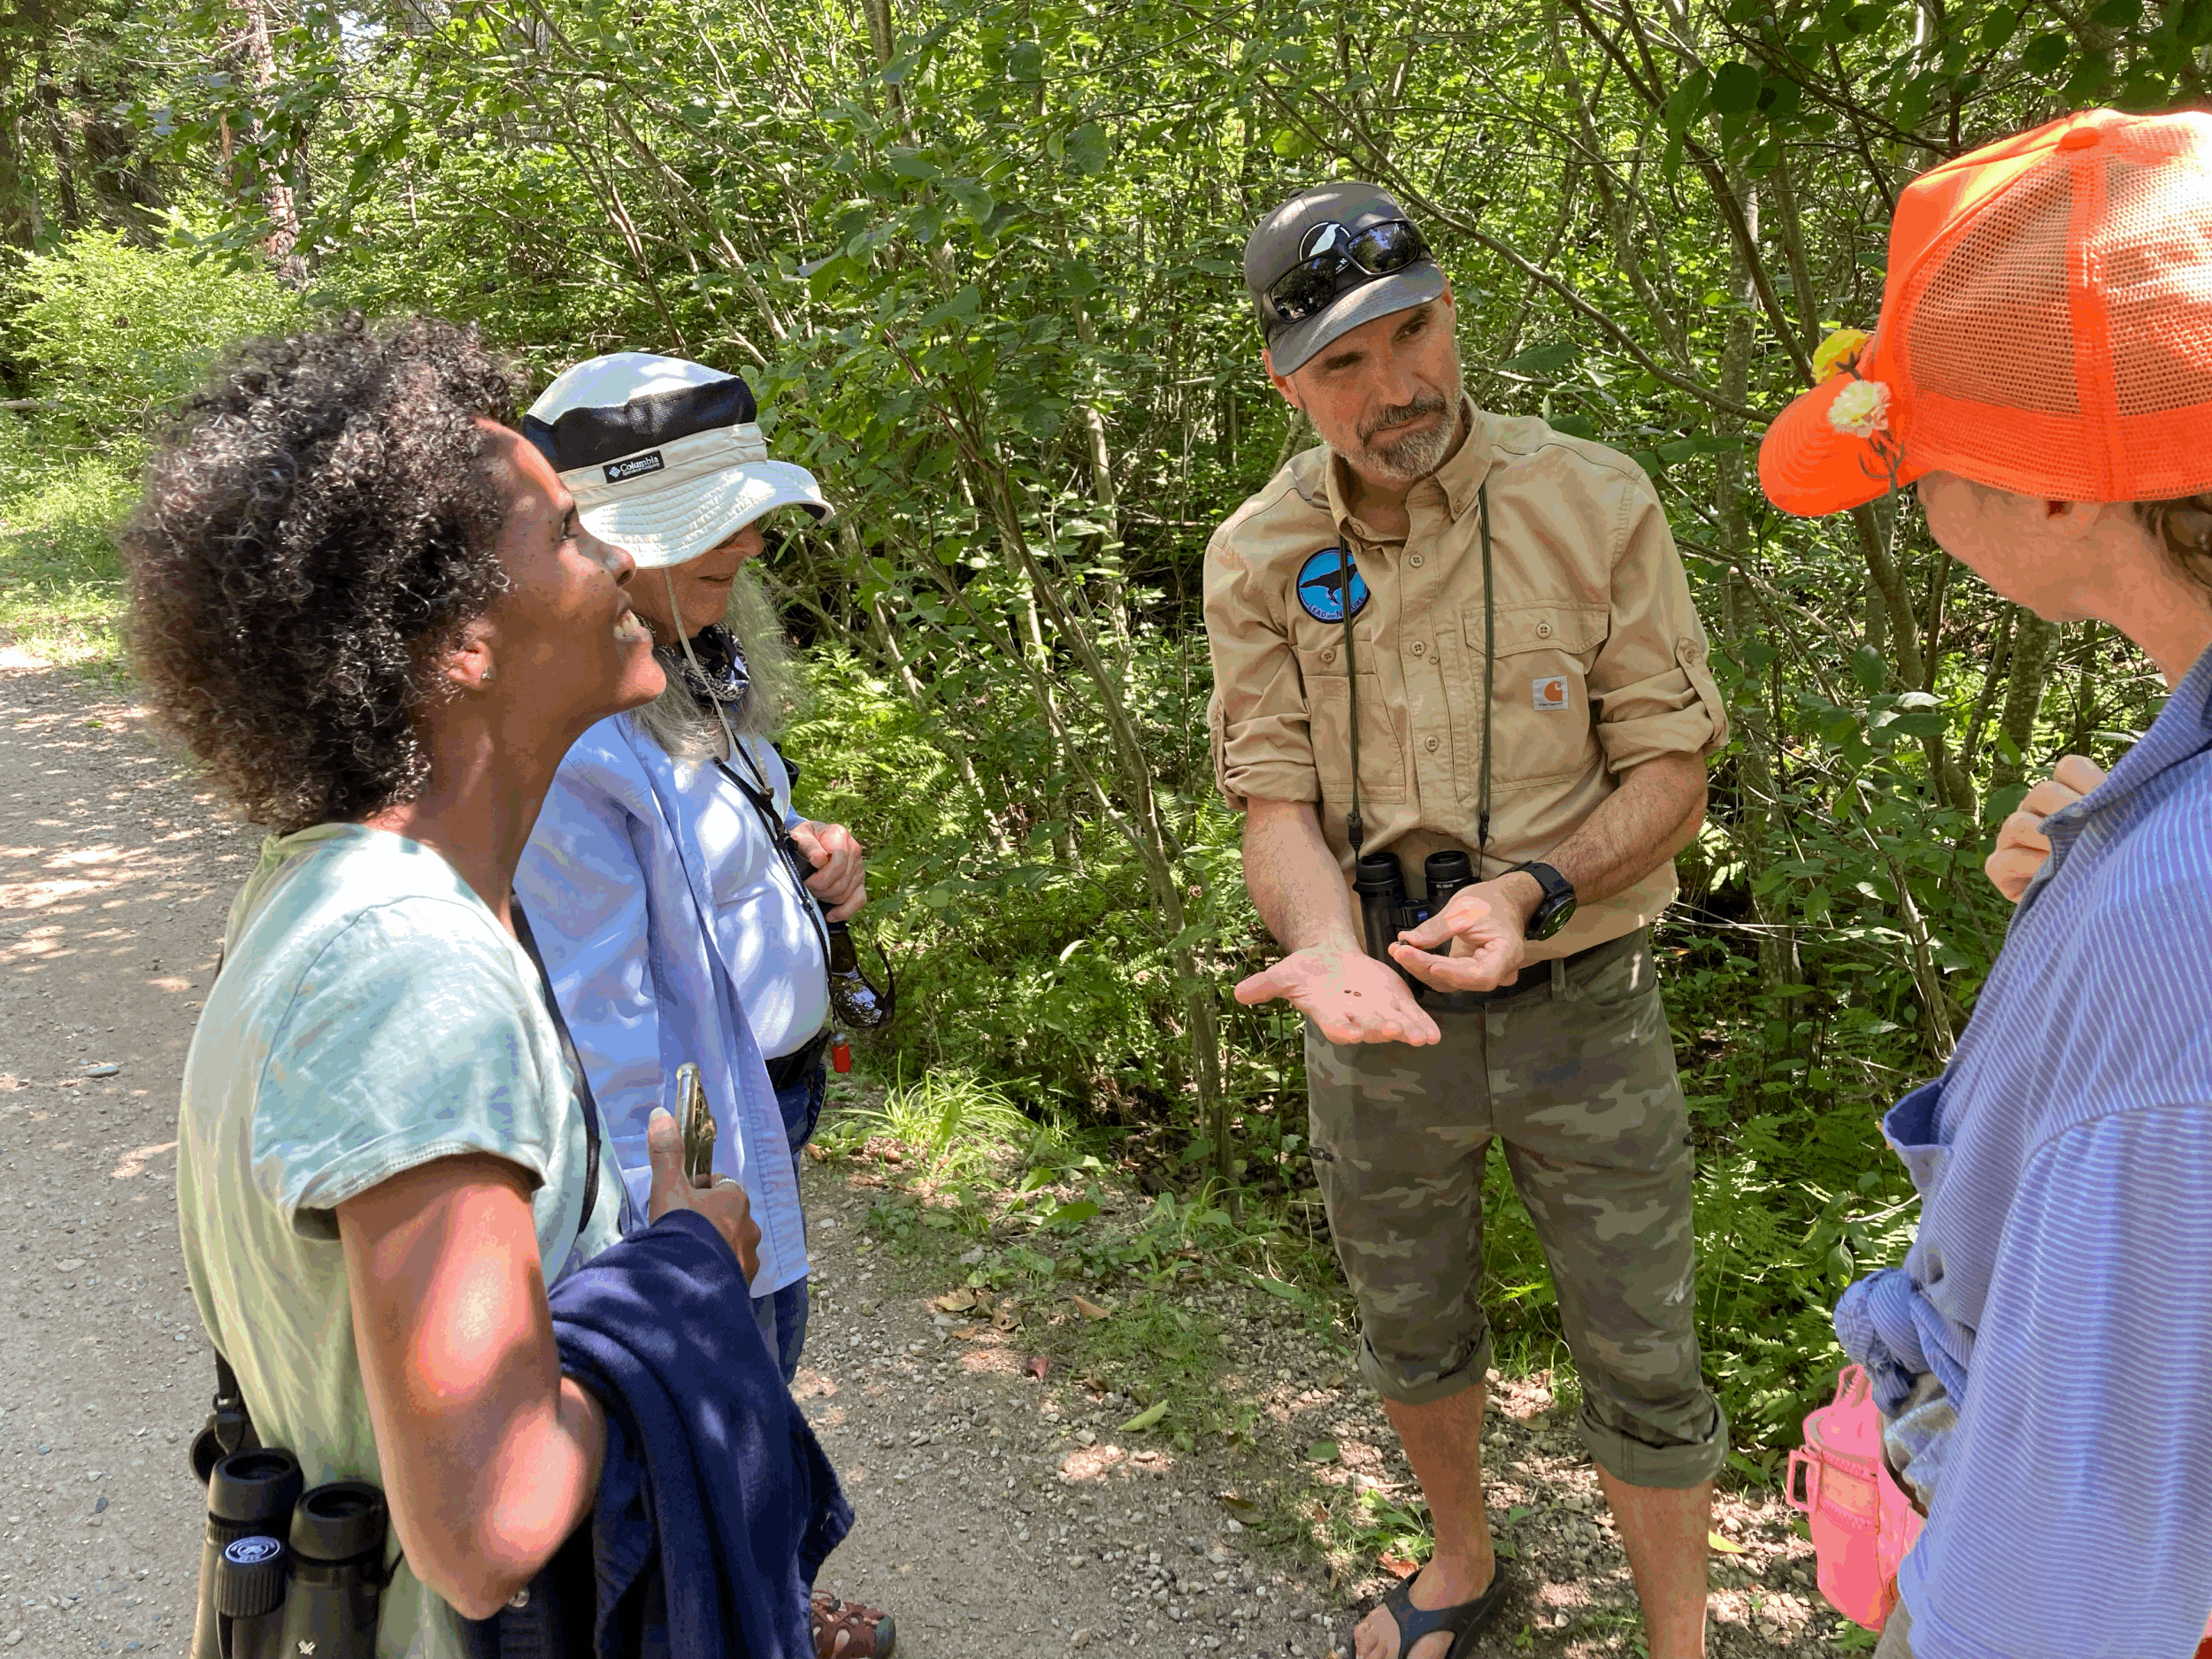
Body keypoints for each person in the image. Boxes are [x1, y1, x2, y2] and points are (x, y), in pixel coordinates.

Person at [133, 317, 772, 1656]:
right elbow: (486, 1527)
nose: (614, 553)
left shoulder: (327, 892)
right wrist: (688, 1267)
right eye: (567, 533)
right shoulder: (410, 974)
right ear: (455, 648)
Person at [1209, 183, 1732, 1659]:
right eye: (1344, 364)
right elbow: (1276, 805)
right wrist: (1318, 947)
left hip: (1585, 1001)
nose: (1395, 388)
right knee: (1410, 1318)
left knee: (1645, 1344)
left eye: (1413, 332)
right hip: (1379, 1017)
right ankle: (1459, 1559)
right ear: (1286, 380)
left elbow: (1672, 769)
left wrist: (1530, 889)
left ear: (1452, 308)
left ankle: (1679, 1641)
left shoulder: (1594, 500)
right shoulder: (1256, 555)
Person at [1758, 106, 2212, 1659]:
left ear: (2068, 491)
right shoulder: (2166, 809)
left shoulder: (2182, 932)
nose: (1911, 501)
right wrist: (2094, 887)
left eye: (1915, 456)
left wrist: (2131, 924)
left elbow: (2072, 1573)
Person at [515, 352, 893, 1659]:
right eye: (709, 523)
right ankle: (736, 1616)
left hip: (769, 1101)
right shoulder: (575, 744)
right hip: (691, 1146)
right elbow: (603, 1009)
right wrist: (657, 1237)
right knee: (717, 1381)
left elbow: (736, 837)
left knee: (762, 1368)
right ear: (611, 552)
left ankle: (769, 1598)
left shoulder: (698, 659)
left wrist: (813, 857)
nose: (748, 538)